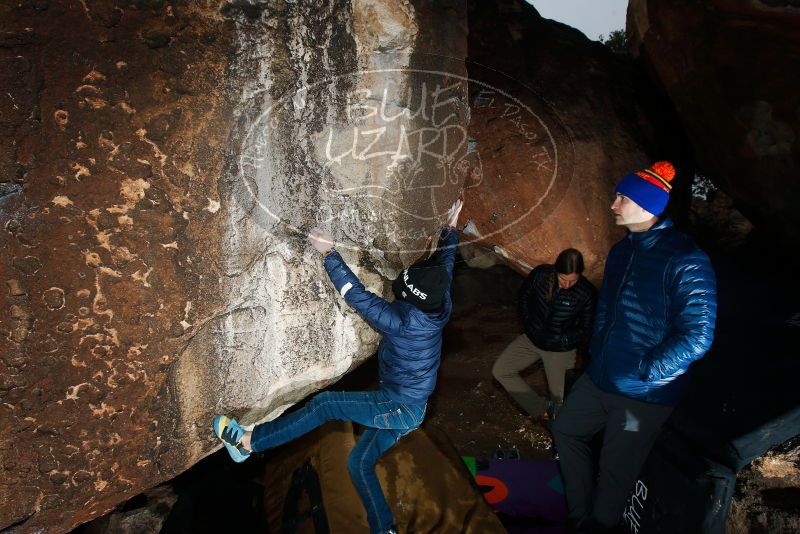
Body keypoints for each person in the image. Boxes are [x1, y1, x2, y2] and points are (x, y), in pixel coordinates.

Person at [212, 200, 463, 534]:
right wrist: (450, 231)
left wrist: (328, 254)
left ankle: (247, 443)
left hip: (399, 406)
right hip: (412, 408)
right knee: (359, 463)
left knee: (326, 405)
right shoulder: (439, 304)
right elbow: (445, 266)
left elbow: (355, 295)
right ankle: (383, 529)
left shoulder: (400, 322)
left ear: (410, 299)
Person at [551, 161, 717, 532]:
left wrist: (646, 371)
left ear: (648, 206)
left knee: (615, 472)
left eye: (622, 198)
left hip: (643, 393)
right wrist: (597, 352)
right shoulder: (623, 250)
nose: (613, 204)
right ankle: (581, 520)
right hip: (601, 376)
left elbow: (698, 336)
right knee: (566, 430)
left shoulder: (686, 259)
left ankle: (599, 526)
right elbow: (608, 308)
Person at [492, 248, 596, 421]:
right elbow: (524, 297)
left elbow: (588, 327)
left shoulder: (587, 293)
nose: (567, 285)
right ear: (556, 271)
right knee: (501, 370)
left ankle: (562, 440)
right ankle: (540, 409)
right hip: (531, 340)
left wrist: (562, 339)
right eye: (563, 279)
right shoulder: (540, 275)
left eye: (573, 281)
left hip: (560, 351)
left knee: (561, 403)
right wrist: (528, 323)